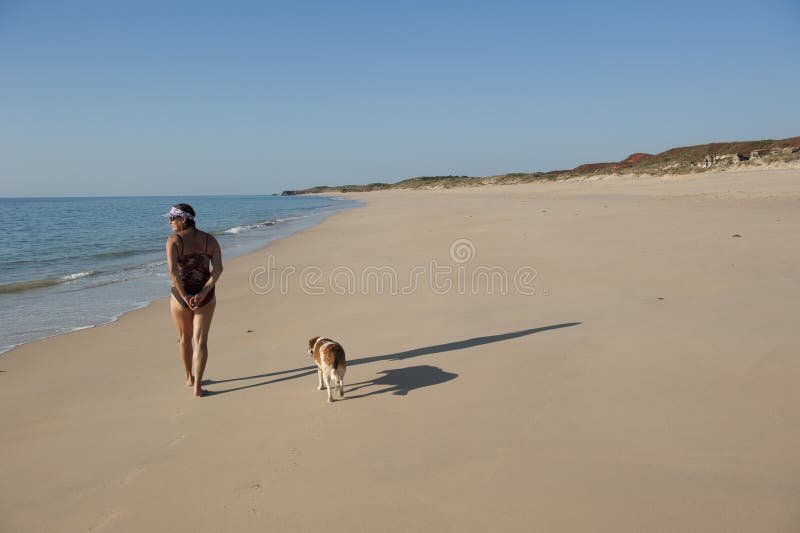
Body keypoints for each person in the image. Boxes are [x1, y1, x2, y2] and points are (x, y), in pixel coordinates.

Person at [164, 203, 223, 397]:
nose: (170, 222)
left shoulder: (174, 240)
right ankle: (197, 386)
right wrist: (204, 292)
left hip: (181, 297)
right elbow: (218, 269)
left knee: (184, 339)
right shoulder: (209, 240)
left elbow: (173, 272)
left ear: (183, 219)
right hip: (205, 295)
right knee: (201, 342)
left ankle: (189, 377)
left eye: (173, 218)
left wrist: (185, 296)